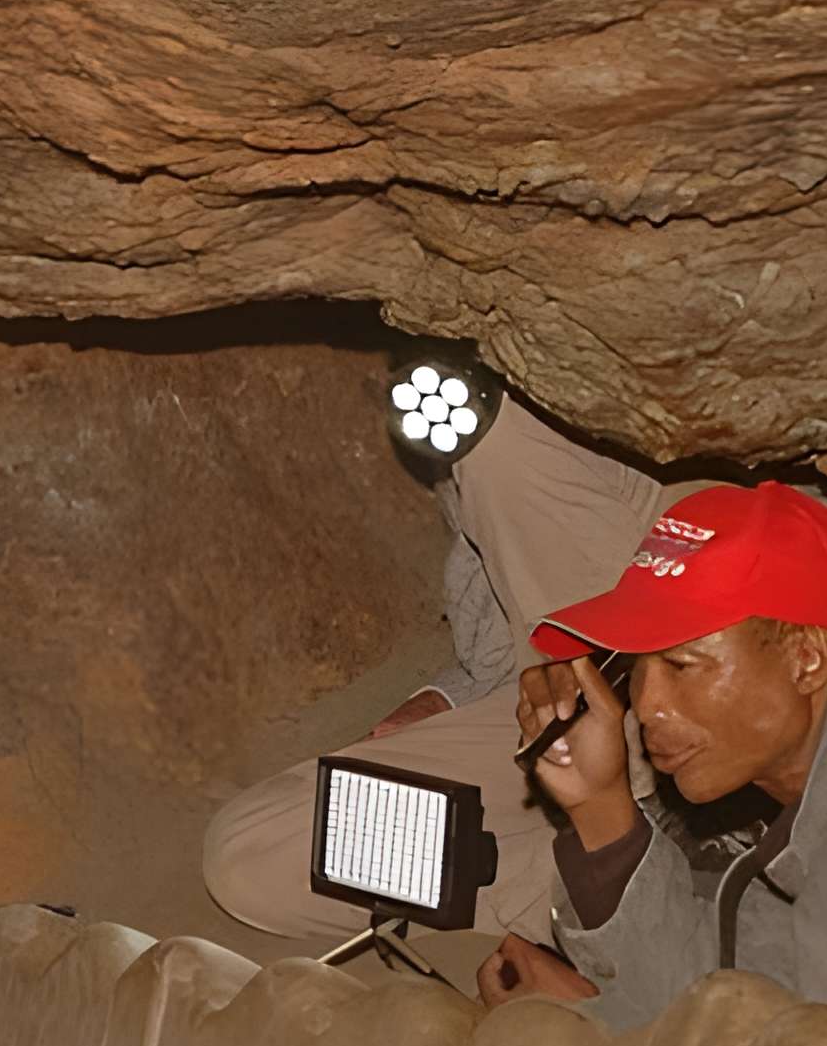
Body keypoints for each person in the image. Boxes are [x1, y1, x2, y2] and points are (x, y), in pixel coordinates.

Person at [479, 481, 827, 1046]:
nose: (646, 706)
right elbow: (724, 990)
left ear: (806, 657)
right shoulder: (821, 783)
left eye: (682, 665)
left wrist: (593, 1031)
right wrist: (599, 806)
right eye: (637, 669)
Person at [199, 358, 672, 943]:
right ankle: (608, 899)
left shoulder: (507, 426)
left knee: (503, 446)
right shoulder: (449, 407)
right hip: (546, 717)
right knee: (254, 857)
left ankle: (660, 874)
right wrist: (445, 697)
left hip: (681, 637)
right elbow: (516, 615)